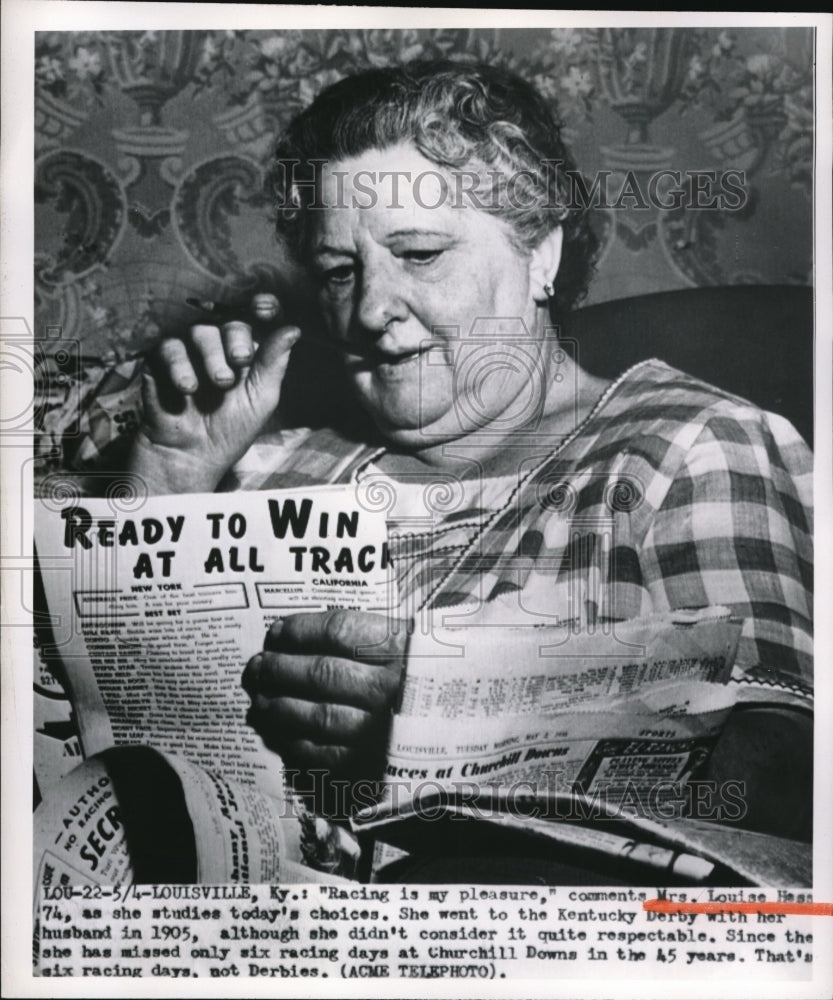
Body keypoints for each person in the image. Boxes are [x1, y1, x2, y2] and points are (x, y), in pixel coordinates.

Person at [129, 61, 813, 845]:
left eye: (418, 254)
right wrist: (171, 473)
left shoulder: (684, 450)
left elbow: (787, 778)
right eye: (339, 271)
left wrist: (440, 723)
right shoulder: (268, 466)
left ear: (541, 257)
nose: (372, 310)